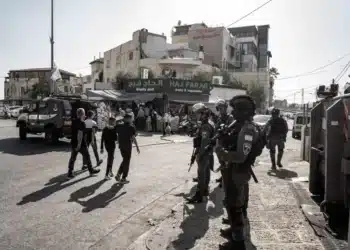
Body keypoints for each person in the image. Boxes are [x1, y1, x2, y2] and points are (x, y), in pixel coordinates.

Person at [215, 95, 259, 249]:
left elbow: (241, 156)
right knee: (230, 201)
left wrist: (222, 153)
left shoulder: (248, 129)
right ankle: (233, 230)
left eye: (235, 110)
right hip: (231, 170)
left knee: (235, 206)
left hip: (238, 172)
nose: (232, 113)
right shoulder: (238, 126)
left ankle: (238, 242)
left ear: (243, 111)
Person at [186, 103, 215, 204]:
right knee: (206, 172)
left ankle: (199, 195)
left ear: (203, 114)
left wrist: (199, 155)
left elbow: (204, 143)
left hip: (204, 153)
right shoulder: (206, 124)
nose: (197, 115)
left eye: (198, 113)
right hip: (207, 153)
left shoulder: (206, 126)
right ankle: (205, 190)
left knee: (201, 174)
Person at [67, 108, 100, 179]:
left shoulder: (74, 121)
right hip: (81, 144)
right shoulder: (82, 123)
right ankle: (91, 171)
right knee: (87, 157)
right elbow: (80, 133)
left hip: (73, 142)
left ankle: (69, 173)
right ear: (83, 114)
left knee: (73, 158)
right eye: (84, 113)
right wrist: (79, 144)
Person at [115, 113, 140, 184]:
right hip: (127, 146)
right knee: (126, 162)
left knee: (125, 160)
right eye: (131, 118)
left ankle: (118, 174)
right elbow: (133, 137)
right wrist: (137, 147)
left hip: (121, 146)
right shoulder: (131, 127)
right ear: (128, 119)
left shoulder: (119, 126)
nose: (132, 119)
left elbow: (116, 131)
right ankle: (123, 178)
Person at [214, 99, 234, 186]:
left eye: (222, 108)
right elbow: (216, 129)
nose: (220, 110)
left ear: (225, 108)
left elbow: (232, 130)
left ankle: (225, 179)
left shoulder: (230, 118)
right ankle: (223, 176)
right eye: (219, 108)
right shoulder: (219, 118)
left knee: (226, 162)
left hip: (227, 143)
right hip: (220, 142)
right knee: (221, 162)